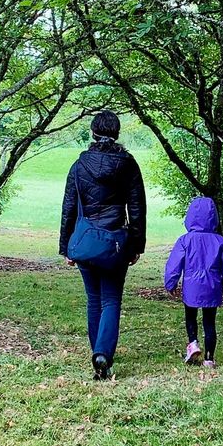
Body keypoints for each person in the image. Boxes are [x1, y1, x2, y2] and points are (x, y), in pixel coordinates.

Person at [60, 110, 146, 379]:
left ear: (93, 133)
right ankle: (103, 354)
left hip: (86, 243)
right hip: (116, 245)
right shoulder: (129, 164)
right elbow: (137, 209)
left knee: (93, 300)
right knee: (111, 300)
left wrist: (66, 246)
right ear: (117, 134)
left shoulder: (79, 165)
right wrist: (136, 246)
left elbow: (69, 208)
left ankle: (98, 354)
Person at [163, 196, 223, 370]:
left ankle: (193, 344)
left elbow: (174, 264)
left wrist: (170, 283)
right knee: (210, 322)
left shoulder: (185, 240)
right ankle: (209, 359)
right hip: (212, 286)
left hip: (191, 287)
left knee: (191, 316)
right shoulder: (220, 241)